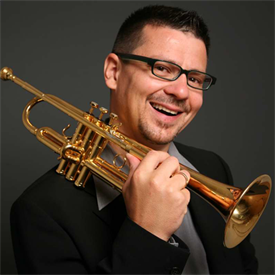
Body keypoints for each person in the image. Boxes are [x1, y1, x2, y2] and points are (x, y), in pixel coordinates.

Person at [10, 5, 258, 275]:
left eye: (195, 79)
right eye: (162, 68)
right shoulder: (41, 212)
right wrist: (147, 232)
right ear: (113, 72)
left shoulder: (213, 167)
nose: (181, 91)